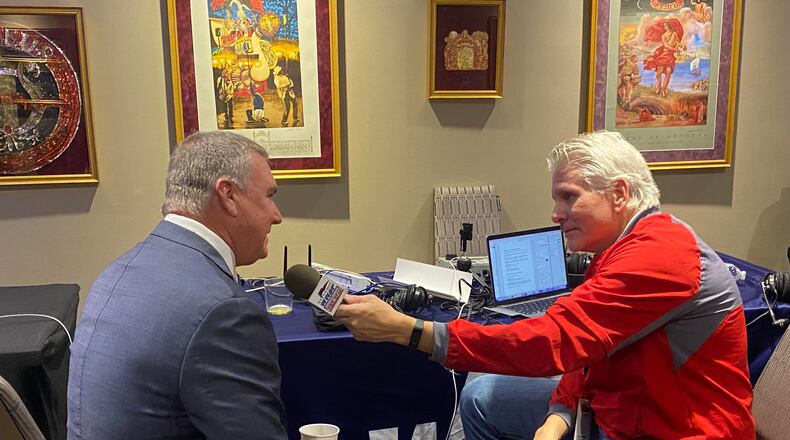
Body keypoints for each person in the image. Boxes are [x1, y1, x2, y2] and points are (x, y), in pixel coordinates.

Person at [335, 131, 754, 439]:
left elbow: (553, 342)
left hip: (678, 428)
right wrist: (560, 413)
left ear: (620, 193)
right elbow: (587, 352)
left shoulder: (660, 256)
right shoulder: (625, 247)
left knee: (482, 390)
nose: (556, 213)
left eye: (568, 197)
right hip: (626, 406)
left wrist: (408, 331)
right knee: (481, 395)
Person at [67, 131, 286, 439]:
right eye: (269, 196)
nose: (276, 216)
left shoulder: (116, 273)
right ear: (228, 195)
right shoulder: (224, 313)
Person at [644, 19, 685, 98]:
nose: (665, 27)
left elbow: (678, 42)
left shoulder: (674, 33)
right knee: (658, 73)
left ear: (669, 26)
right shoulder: (663, 35)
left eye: (666, 25)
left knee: (668, 72)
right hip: (664, 54)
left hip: (670, 56)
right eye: (664, 26)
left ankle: (664, 90)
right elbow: (666, 45)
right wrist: (675, 49)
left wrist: (683, 46)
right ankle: (658, 87)